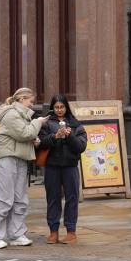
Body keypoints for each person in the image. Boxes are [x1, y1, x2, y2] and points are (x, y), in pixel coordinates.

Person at [0, 88, 49, 249]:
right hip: (6, 159)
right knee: (3, 198)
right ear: (21, 99)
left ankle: (16, 234)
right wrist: (38, 123)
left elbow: (24, 135)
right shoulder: (11, 114)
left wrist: (33, 138)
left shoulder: (21, 116)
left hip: (20, 158)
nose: (32, 105)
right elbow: (24, 133)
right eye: (31, 102)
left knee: (20, 199)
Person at [38, 94, 87, 244]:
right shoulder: (46, 124)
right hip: (52, 166)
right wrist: (55, 136)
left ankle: (71, 231)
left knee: (72, 198)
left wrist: (69, 135)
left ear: (66, 108)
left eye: (62, 107)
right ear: (52, 108)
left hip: (70, 166)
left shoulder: (75, 124)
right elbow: (40, 144)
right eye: (56, 107)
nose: (59, 110)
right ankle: (53, 231)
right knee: (53, 198)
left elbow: (81, 146)